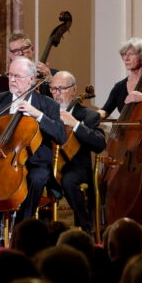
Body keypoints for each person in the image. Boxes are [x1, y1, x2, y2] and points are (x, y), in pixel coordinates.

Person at [0, 57, 66, 224]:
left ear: (31, 79)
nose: (12, 80)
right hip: (2, 160)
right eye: (10, 75)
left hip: (35, 163)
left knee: (36, 179)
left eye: (17, 76)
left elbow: (60, 136)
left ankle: (23, 225)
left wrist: (38, 114)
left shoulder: (47, 105)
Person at [48, 71, 105, 235]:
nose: (57, 94)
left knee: (68, 181)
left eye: (61, 89)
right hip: (50, 162)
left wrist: (76, 124)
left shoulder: (89, 115)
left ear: (74, 89)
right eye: (53, 89)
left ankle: (84, 228)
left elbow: (99, 144)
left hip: (77, 166)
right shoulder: (45, 112)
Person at [99, 37, 142, 118]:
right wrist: (91, 115)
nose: (126, 58)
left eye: (130, 54)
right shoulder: (119, 87)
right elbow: (105, 110)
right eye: (124, 54)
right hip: (125, 130)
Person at [7, 31, 53, 96]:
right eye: (15, 51)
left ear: (32, 49)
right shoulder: (7, 79)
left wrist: (50, 80)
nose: (20, 53)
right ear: (10, 55)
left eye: (23, 49)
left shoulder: (51, 76)